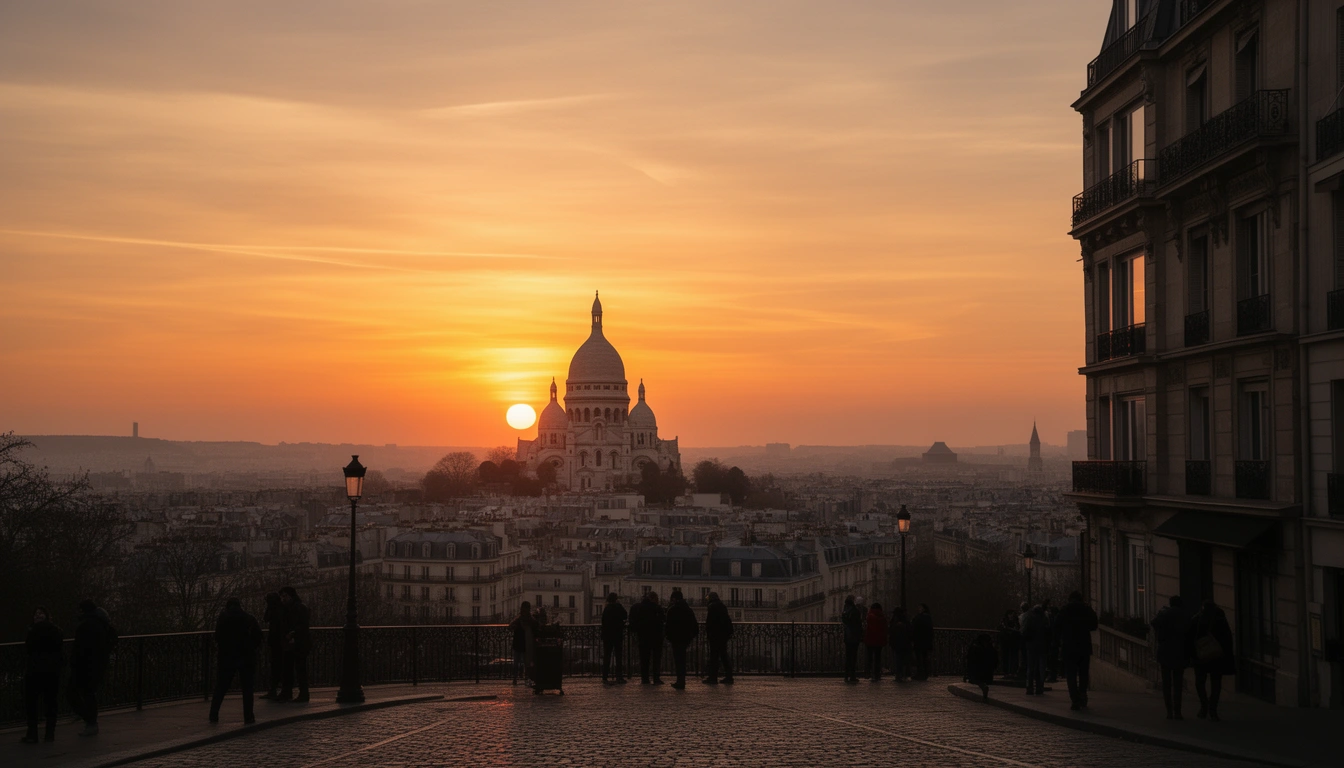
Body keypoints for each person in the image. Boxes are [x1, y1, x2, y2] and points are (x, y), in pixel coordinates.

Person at [210, 598, 263, 725]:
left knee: (221, 687)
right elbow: (258, 636)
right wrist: (251, 647)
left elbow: (217, 637)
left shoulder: (223, 619)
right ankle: (248, 716)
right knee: (247, 688)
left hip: (227, 657)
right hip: (246, 656)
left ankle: (213, 714)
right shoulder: (249, 618)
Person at [69, 599, 115, 737]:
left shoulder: (87, 626)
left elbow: (79, 649)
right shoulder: (102, 623)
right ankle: (90, 720)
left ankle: (90, 720)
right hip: (97, 665)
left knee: (75, 693)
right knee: (88, 693)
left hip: (85, 665)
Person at [1188, 598, 1235, 721]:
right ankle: (1213, 709)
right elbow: (1227, 638)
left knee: (1200, 682)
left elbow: (1190, 638)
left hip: (1201, 656)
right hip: (1216, 656)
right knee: (1216, 683)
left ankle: (1204, 706)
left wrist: (1192, 655)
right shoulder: (1220, 620)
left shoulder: (1197, 619)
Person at [22, 607, 63, 744]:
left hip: (35, 671)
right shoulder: (55, 630)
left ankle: (32, 734)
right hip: (51, 671)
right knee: (50, 703)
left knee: (31, 703)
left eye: (39, 613)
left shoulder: (33, 631)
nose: (37, 615)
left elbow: (29, 649)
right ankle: (49, 734)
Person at [1055, 591, 1098, 710]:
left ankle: (1074, 699)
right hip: (1084, 645)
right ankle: (1083, 694)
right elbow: (1094, 624)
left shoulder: (1065, 609)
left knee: (1071, 674)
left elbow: (1057, 625)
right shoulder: (1086, 609)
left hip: (1069, 646)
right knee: (1083, 672)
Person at [1150, 595, 1189, 720]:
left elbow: (1154, 623)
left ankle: (1169, 711)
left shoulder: (1165, 614)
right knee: (1178, 683)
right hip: (1180, 651)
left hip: (1165, 651)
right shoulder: (1184, 615)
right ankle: (1178, 711)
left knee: (1166, 683)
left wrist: (1161, 613)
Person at [277, 586, 310, 702]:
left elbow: (303, 625)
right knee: (289, 668)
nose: (283, 599)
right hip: (292, 642)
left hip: (297, 642)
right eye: (282, 596)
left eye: (284, 596)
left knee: (298, 668)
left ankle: (296, 693)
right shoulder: (296, 607)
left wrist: (293, 633)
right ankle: (292, 692)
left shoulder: (296, 608)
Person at [664, 589, 699, 690]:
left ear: (674, 599)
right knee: (682, 659)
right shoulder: (688, 610)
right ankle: (681, 681)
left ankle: (680, 681)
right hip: (685, 638)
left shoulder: (672, 610)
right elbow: (695, 626)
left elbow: (668, 626)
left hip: (675, 638)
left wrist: (669, 637)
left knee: (678, 660)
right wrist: (690, 636)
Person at [260, 592, 289, 700]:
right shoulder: (282, 609)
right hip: (280, 641)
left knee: (276, 666)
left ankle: (274, 689)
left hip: (276, 641)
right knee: (280, 666)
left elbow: (266, 618)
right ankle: (280, 689)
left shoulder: (275, 610)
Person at [632, 591, 666, 684]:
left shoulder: (639, 607)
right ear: (653, 598)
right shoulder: (657, 608)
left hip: (643, 636)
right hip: (656, 636)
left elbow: (635, 620)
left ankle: (645, 678)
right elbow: (662, 619)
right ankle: (656, 678)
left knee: (644, 659)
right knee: (656, 659)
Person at [703, 591, 734, 684]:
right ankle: (729, 676)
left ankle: (713, 677)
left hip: (715, 635)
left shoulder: (712, 606)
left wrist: (708, 633)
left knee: (714, 657)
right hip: (723, 634)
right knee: (724, 655)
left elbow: (710, 622)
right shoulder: (722, 606)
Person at [600, 593, 628, 684]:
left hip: (607, 635)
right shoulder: (618, 607)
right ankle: (619, 676)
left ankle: (604, 676)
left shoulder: (606, 609)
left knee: (607, 656)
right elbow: (625, 615)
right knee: (618, 656)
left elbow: (603, 622)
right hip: (617, 634)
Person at [509, 601, 538, 686]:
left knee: (517, 662)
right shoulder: (530, 619)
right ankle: (526, 678)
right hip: (525, 642)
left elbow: (510, 625)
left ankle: (516, 679)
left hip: (518, 642)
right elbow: (536, 625)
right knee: (526, 662)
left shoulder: (519, 618)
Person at [1020, 604, 1047, 695]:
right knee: (1040, 667)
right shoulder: (1044, 619)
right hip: (1042, 645)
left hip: (1031, 645)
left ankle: (1029, 687)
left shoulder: (1029, 618)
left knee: (1030, 667)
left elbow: (1024, 631)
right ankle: (1040, 687)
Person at [966, 633, 997, 702]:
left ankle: (983, 687)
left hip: (978, 669)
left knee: (975, 679)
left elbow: (970, 659)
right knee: (978, 680)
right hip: (985, 669)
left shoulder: (975, 647)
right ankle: (983, 688)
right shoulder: (989, 648)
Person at [840, 596, 863, 683]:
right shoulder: (855, 611)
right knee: (853, 656)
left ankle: (846, 675)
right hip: (854, 636)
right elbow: (858, 624)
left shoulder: (845, 611)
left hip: (847, 637)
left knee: (848, 656)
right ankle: (852, 675)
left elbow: (845, 622)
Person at [863, 602, 887, 681]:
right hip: (879, 640)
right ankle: (877, 674)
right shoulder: (882, 617)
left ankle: (868, 673)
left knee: (869, 657)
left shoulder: (870, 616)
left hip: (870, 639)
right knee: (877, 657)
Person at [888, 606, 912, 682]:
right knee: (905, 659)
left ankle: (899, 674)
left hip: (897, 643)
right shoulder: (906, 621)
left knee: (898, 659)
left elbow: (891, 631)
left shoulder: (894, 621)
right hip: (905, 642)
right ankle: (906, 674)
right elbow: (910, 631)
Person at [911, 603, 934, 681]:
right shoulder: (927, 617)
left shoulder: (920, 618)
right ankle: (924, 673)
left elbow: (915, 627)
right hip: (924, 640)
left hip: (920, 640)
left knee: (920, 658)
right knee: (923, 658)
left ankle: (921, 673)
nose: (918, 609)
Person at [996, 610, 1020, 681]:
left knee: (1011, 657)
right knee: (1007, 657)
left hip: (1010, 641)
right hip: (1007, 641)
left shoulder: (1009, 622)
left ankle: (1011, 672)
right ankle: (1007, 672)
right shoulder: (1006, 622)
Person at [1043, 600, 1060, 683]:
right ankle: (1053, 675)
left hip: (1052, 642)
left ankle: (1052, 675)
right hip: (1055, 642)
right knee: (1053, 660)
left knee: (1051, 660)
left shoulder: (1053, 620)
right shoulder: (1056, 619)